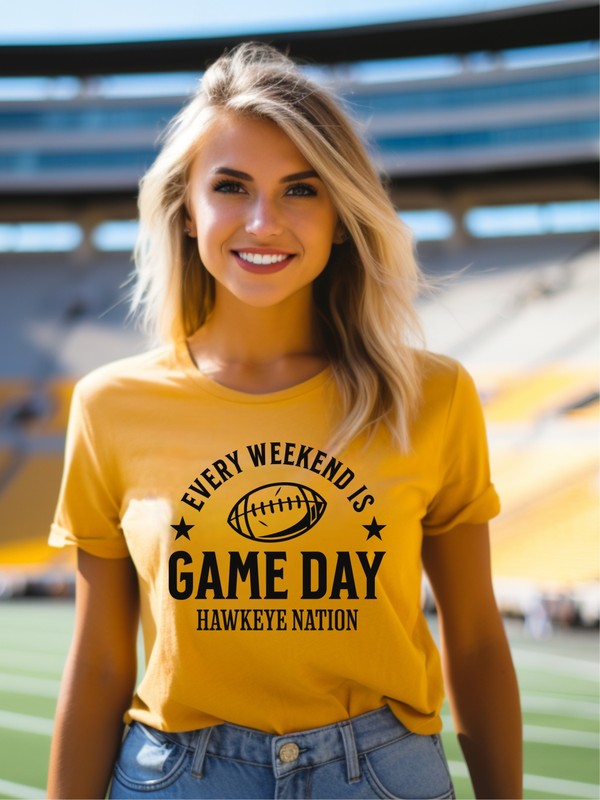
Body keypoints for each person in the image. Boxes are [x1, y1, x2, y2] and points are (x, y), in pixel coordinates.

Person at [46, 42, 522, 800]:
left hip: (383, 774)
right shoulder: (111, 405)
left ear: (341, 217)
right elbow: (100, 661)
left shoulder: (431, 396)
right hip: (177, 776)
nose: (263, 221)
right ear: (186, 209)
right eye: (231, 186)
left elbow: (473, 637)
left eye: (301, 190)